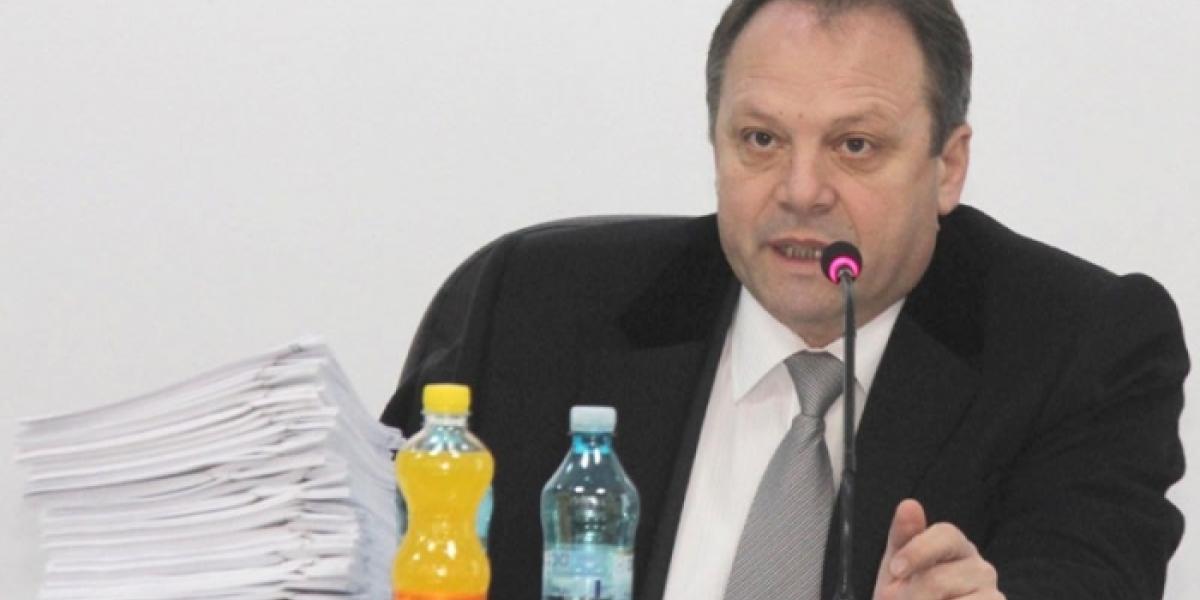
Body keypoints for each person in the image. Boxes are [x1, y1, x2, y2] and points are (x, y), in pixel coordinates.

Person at [382, 0, 1188, 598]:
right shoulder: (537, 304)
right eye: (761, 140)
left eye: (855, 145)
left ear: (947, 166)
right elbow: (368, 549)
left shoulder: (1077, 347)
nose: (802, 192)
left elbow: (1087, 577)